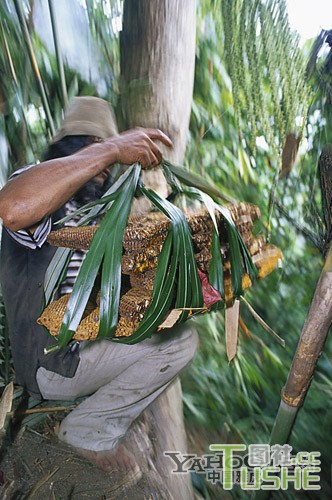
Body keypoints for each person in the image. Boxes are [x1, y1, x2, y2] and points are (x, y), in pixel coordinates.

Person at [0, 96, 199, 492]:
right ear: (71, 148)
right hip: (51, 363)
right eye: (91, 149)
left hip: (81, 352)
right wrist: (110, 148)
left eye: (108, 164)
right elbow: (11, 208)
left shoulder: (94, 211)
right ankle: (88, 431)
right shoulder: (40, 186)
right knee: (180, 345)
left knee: (179, 331)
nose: (104, 170)